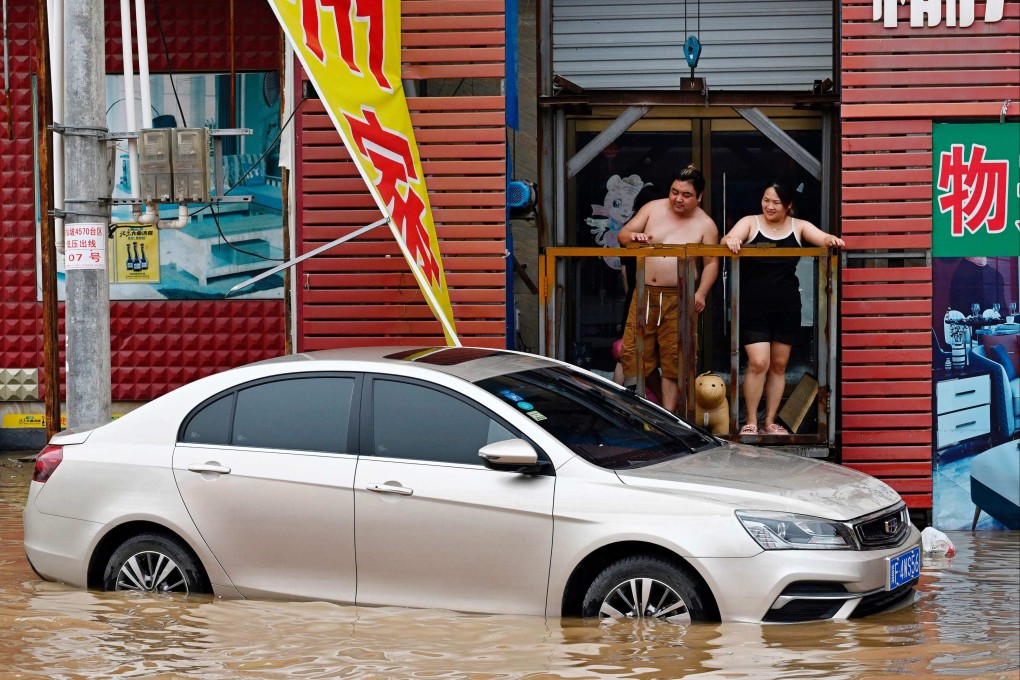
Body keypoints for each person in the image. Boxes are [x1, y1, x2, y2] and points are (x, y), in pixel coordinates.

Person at [722, 180, 845, 435]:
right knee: (758, 363)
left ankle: (770, 422)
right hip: (753, 305)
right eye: (766, 200)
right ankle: (751, 421)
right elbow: (730, 236)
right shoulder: (750, 222)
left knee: (779, 365)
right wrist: (732, 239)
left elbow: (821, 237)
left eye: (776, 202)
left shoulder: (797, 226)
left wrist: (831, 239)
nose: (769, 205)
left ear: (788, 206)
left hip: (787, 305)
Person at [617, 165, 719, 413]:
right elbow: (623, 234)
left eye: (686, 195)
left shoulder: (706, 225)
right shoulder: (652, 208)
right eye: (675, 192)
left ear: (699, 197)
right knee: (633, 354)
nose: (678, 199)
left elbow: (711, 263)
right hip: (645, 294)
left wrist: (701, 293)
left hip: (679, 297)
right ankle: (652, 411)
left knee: (674, 360)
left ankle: (669, 417)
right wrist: (635, 238)